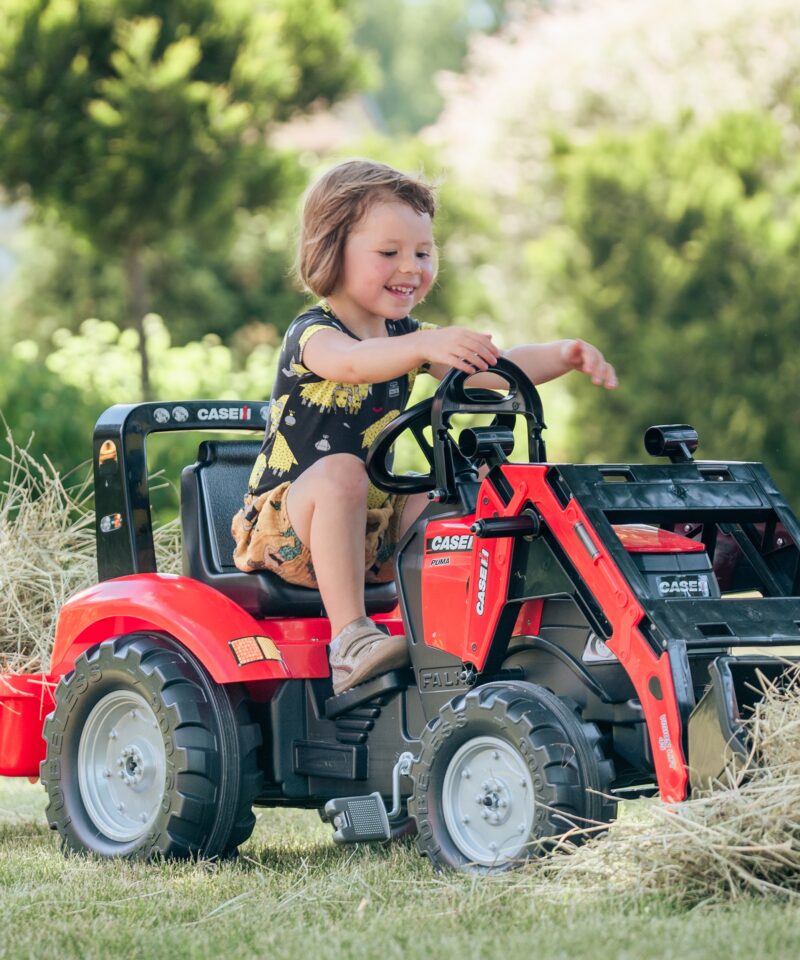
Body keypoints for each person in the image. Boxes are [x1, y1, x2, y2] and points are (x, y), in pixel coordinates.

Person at [231, 159, 617, 695]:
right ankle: (349, 641)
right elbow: (352, 363)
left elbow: (494, 373)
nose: (410, 267)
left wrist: (562, 354)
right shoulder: (314, 334)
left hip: (370, 524)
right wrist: (421, 347)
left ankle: (475, 636)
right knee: (342, 471)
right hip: (284, 528)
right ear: (332, 250)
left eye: (423, 252)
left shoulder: (407, 336)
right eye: (389, 253)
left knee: (458, 500)